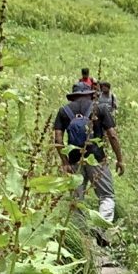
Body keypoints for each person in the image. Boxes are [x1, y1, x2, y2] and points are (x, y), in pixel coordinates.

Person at [51, 79, 124, 222]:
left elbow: (58, 139)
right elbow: (113, 136)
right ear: (90, 94)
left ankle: (81, 234)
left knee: (76, 201)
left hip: (74, 160)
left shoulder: (64, 111)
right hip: (96, 158)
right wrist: (120, 159)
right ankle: (102, 227)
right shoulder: (101, 108)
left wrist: (65, 162)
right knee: (106, 196)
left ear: (73, 96)